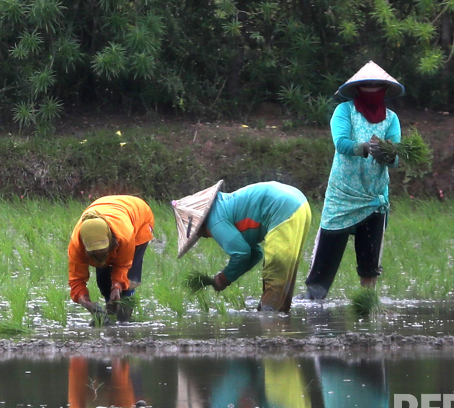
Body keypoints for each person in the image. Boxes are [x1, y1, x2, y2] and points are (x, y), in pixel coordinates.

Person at [305, 61, 403, 300]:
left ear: (385, 89)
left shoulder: (391, 119)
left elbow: (396, 157)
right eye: (366, 85)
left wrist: (388, 154)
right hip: (343, 194)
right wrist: (364, 147)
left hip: (374, 196)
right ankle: (314, 302)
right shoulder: (344, 111)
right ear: (358, 88)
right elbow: (340, 143)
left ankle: (366, 305)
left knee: (369, 264)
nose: (371, 89)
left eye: (376, 85)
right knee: (324, 261)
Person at [172, 180, 311, 312]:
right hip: (300, 204)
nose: (205, 236)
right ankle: (283, 324)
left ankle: (271, 324)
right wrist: (228, 277)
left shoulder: (214, 220)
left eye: (200, 234)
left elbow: (241, 253)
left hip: (283, 208)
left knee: (275, 275)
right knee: (284, 274)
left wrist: (223, 278)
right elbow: (255, 253)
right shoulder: (223, 205)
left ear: (199, 225)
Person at [68, 195, 154, 322]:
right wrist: (85, 302)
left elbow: (123, 265)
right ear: (85, 249)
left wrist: (117, 287)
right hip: (108, 208)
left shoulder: (124, 236)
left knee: (128, 281)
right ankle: (111, 313)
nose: (100, 257)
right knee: (104, 283)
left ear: (112, 241)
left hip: (140, 216)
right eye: (94, 253)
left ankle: (124, 320)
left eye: (103, 252)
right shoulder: (76, 246)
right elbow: (76, 280)